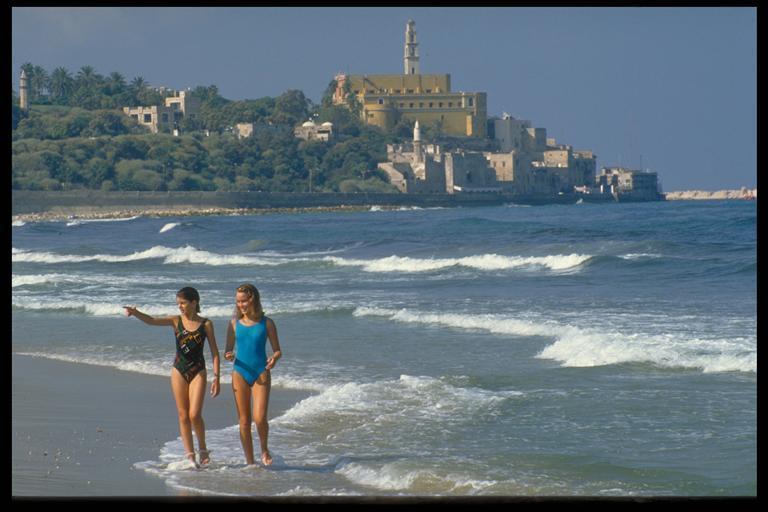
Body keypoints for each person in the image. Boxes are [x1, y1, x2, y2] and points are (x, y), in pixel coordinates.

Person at [124, 287, 220, 467]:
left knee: (195, 414)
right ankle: (190, 455)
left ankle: (203, 448)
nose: (180, 307)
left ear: (194, 302)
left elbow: (215, 353)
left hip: (198, 370)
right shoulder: (176, 321)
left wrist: (217, 377)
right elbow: (151, 321)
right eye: (178, 304)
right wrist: (136, 313)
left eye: (183, 303)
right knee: (183, 415)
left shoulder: (206, 324)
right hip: (178, 369)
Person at [224, 284, 282, 466]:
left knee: (259, 418)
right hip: (239, 373)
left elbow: (277, 350)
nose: (240, 305)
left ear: (253, 299)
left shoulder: (267, 323)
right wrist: (228, 355)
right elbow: (227, 350)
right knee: (244, 420)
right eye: (238, 301)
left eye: (244, 301)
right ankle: (250, 463)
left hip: (260, 373)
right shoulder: (234, 324)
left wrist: (274, 358)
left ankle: (264, 449)